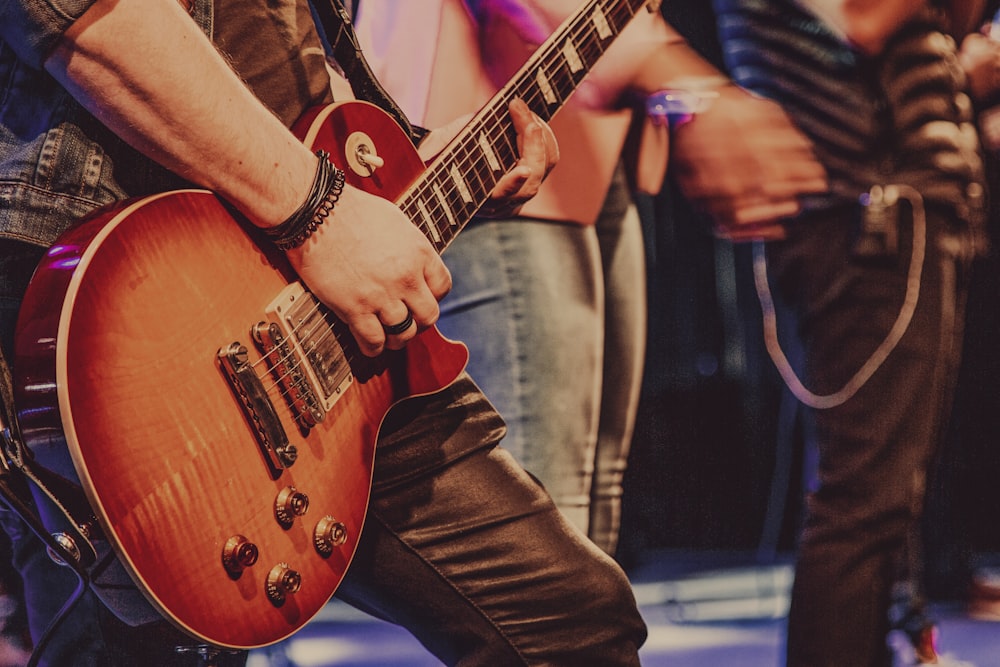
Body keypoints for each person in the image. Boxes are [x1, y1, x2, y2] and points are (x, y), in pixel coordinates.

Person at [0, 1, 649, 665]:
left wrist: (403, 174)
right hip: (123, 292)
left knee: (572, 621)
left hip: (304, 306)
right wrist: (318, 212)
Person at [353, 0, 828, 555]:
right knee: (541, 528)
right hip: (485, 137)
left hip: (591, 135)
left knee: (588, 523)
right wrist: (681, 83)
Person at [670, 0, 991, 664]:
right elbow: (861, 16)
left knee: (878, 503)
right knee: (863, 505)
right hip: (868, 209)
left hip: (891, 205)